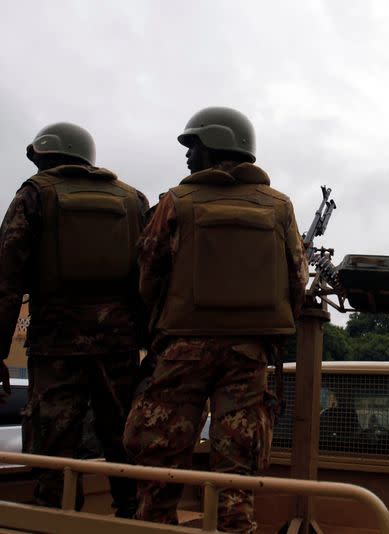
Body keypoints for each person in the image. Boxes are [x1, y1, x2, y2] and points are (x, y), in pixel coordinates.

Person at [123, 107, 308, 532]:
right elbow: (297, 281)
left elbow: (148, 274)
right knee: (235, 475)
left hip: (181, 350)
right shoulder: (279, 207)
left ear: (217, 146)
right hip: (248, 354)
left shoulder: (175, 201)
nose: (188, 156)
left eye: (194, 146)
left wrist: (164, 322)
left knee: (160, 467)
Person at [0, 122, 149, 517]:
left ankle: (58, 523)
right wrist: (146, 338)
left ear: (48, 156)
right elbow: (151, 275)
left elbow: (4, 277)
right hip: (119, 348)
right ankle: (132, 521)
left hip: (55, 346)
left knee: (55, 456)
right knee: (124, 447)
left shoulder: (35, 194)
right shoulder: (133, 200)